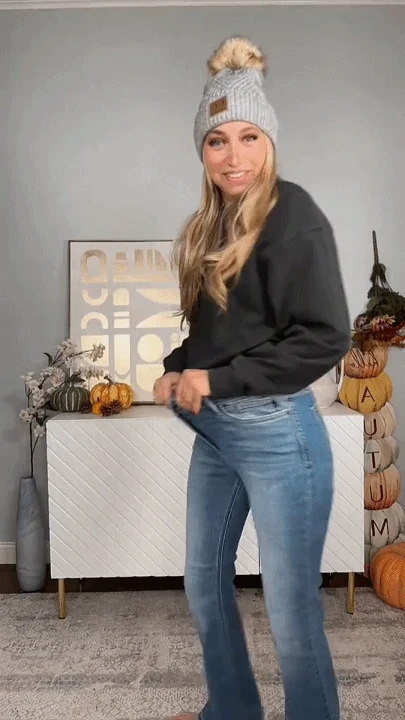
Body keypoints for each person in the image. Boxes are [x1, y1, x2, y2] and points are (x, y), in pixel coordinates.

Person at [153, 36, 350, 720]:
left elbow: (324, 336)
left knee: (290, 613)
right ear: (201, 150)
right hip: (217, 434)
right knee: (203, 585)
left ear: (269, 142)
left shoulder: (292, 213)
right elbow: (218, 335)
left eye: (248, 136)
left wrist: (218, 381)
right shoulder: (212, 226)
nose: (232, 156)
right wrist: (176, 370)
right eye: (216, 140)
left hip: (276, 435)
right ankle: (232, 711)